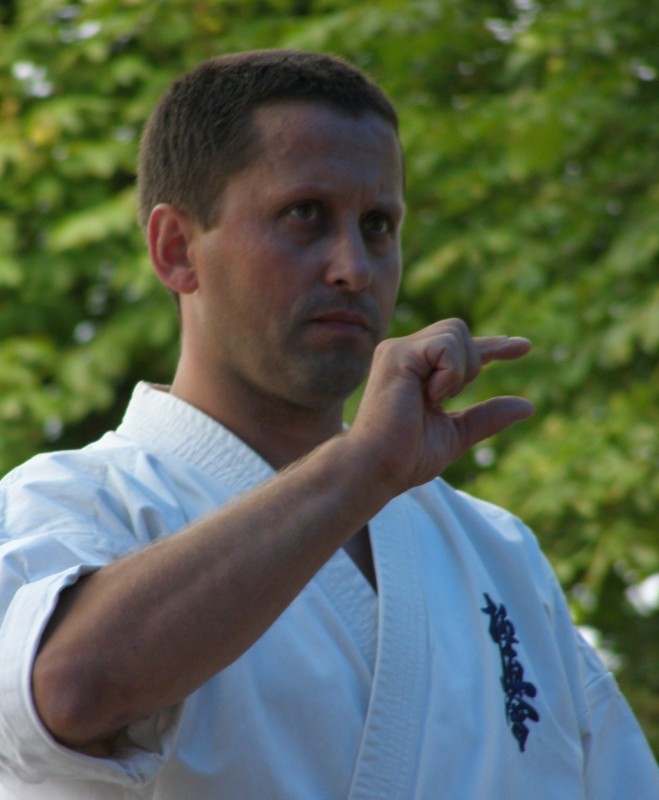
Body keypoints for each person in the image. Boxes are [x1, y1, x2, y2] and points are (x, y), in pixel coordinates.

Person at [0, 50, 656, 800]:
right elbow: (66, 693)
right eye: (304, 215)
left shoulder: (497, 554)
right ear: (176, 250)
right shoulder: (69, 505)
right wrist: (359, 471)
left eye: (378, 226)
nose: (353, 267)